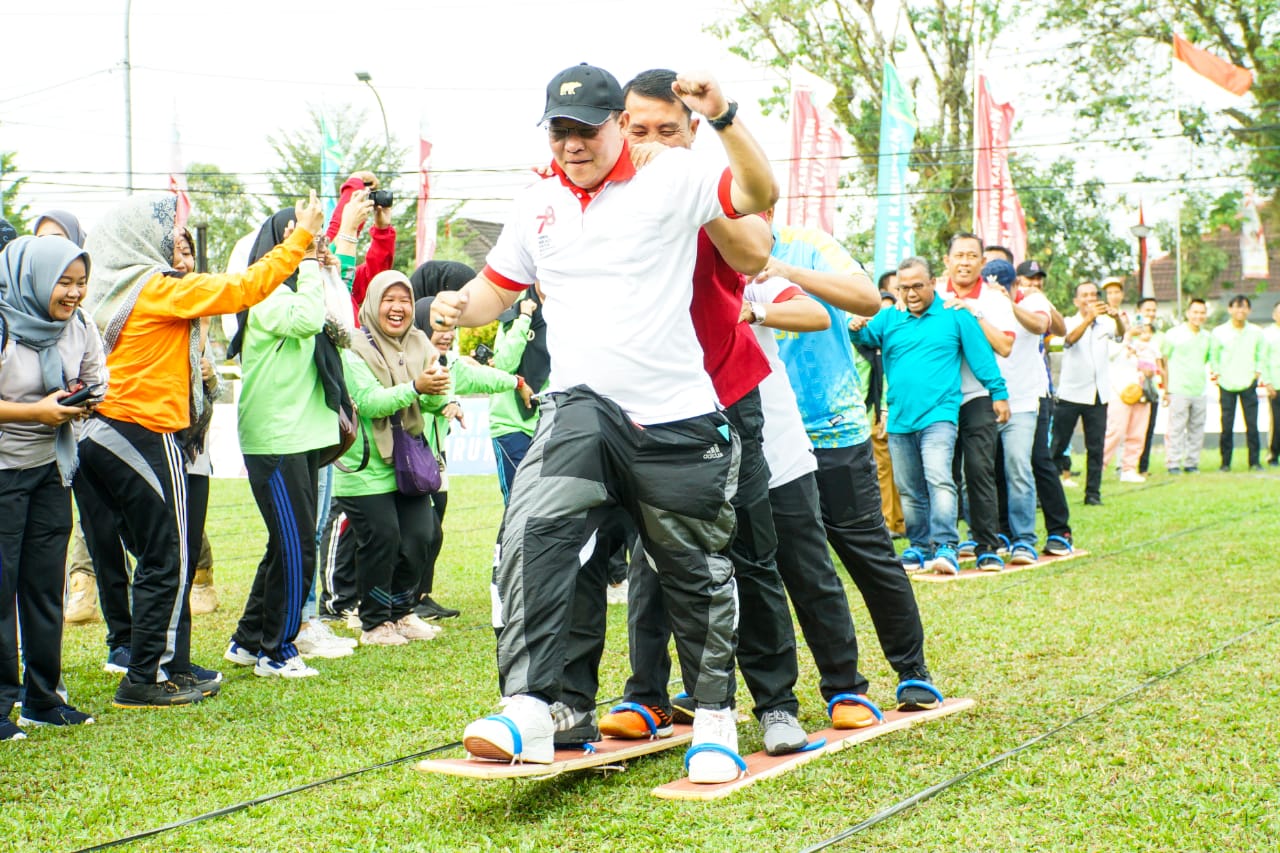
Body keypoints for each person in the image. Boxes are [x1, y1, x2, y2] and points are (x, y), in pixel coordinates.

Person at [433, 63, 777, 783]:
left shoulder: (672, 178)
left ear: (619, 123)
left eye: (587, 128)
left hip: (676, 418)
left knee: (694, 572)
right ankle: (528, 705)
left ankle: (714, 719)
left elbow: (757, 195)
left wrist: (723, 116)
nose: (573, 144)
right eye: (560, 131)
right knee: (530, 532)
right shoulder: (536, 206)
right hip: (580, 408)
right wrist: (457, 306)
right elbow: (497, 289)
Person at [79, 192, 324, 708]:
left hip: (107, 431)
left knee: (160, 556)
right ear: (139, 238)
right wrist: (300, 238)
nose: (174, 242)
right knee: (168, 557)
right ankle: (147, 675)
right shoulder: (155, 288)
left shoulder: (118, 289)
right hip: (141, 428)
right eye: (168, 232)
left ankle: (166, 664)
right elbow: (242, 289)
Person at [765, 224, 942, 712]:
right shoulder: (712, 246)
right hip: (767, 436)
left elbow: (866, 298)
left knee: (869, 554)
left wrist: (784, 270)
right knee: (801, 568)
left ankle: (912, 670)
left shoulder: (809, 245)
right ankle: (842, 687)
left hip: (833, 428)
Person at [223, 207, 343, 680]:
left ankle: (249, 640)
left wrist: (324, 268)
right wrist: (311, 264)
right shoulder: (265, 291)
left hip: (300, 436)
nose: (306, 242)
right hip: (276, 438)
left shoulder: (300, 285)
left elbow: (337, 320)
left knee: (285, 543)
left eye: (311, 235)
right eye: (295, 236)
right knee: (297, 547)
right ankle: (279, 650)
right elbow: (309, 321)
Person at [0, 235, 105, 738]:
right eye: (64, 282)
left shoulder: (78, 326)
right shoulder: (3, 323)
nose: (74, 293)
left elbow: (94, 378)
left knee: (44, 588)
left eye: (81, 283)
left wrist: (83, 400)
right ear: (34, 278)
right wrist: (37, 411)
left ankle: (43, 698)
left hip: (50, 468)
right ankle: (0, 708)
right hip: (3, 470)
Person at [850, 256, 1010, 575]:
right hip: (899, 419)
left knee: (939, 479)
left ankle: (946, 545)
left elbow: (982, 358)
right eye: (903, 288)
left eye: (917, 286)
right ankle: (919, 546)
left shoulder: (954, 315)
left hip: (940, 414)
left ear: (933, 283)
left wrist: (999, 393)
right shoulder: (890, 318)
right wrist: (856, 328)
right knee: (909, 488)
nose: (910, 294)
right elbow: (865, 338)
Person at [333, 272, 452, 646]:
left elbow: (431, 403)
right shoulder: (353, 347)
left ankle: (401, 613)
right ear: (373, 303)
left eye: (404, 299)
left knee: (423, 535)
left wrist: (435, 390)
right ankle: (373, 622)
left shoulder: (420, 344)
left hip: (409, 463)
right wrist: (417, 386)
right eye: (389, 299)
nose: (398, 307)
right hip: (366, 464)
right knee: (383, 537)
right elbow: (368, 403)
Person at [938, 234, 1014, 569]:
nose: (965, 262)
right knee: (943, 473)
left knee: (980, 471)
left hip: (980, 396)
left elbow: (1005, 346)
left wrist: (973, 313)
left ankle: (987, 545)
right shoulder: (933, 296)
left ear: (982, 262)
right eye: (959, 255)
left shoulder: (995, 300)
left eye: (972, 256)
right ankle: (944, 546)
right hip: (940, 400)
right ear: (947, 261)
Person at [983, 258, 1050, 564]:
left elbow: (1041, 326)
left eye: (1002, 284)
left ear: (1013, 284)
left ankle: (1024, 540)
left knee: (1018, 469)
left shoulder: (1032, 300)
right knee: (984, 473)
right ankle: (994, 535)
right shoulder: (978, 308)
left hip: (1022, 401)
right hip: (985, 400)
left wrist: (1009, 303)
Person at [1013, 260, 1073, 556]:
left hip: (1037, 392)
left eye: (1038, 279)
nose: (1034, 283)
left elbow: (1059, 329)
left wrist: (1041, 301)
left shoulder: (1036, 301)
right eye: (1028, 278)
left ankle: (1059, 529)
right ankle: (1007, 533)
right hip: (1001, 393)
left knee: (1039, 460)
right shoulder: (997, 301)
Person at [1050, 281, 1122, 506]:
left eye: (1093, 295)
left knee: (1096, 446)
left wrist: (1117, 317)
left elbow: (1120, 335)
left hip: (1098, 394)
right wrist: (1088, 318)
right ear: (1076, 301)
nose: (1089, 298)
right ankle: (1048, 493)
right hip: (1071, 394)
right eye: (1084, 295)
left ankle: (1093, 493)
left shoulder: (1104, 324)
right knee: (1058, 446)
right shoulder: (1069, 322)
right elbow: (1069, 340)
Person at [1210, 294, 1265, 471]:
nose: (1240, 310)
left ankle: (1254, 462)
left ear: (1249, 310)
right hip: (1226, 383)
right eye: (1236, 306)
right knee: (1226, 424)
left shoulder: (1256, 332)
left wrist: (1256, 373)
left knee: (1252, 424)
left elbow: (1260, 355)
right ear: (1229, 309)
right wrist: (1218, 374)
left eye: (1243, 307)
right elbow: (1214, 356)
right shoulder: (1219, 332)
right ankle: (1225, 462)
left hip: (1248, 382)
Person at [1103, 316, 1158, 482]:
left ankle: (1129, 468)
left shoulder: (1142, 345)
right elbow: (1110, 357)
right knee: (1115, 431)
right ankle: (1098, 466)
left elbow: (1152, 364)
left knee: (1137, 432)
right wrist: (1126, 338)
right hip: (1119, 392)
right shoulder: (1112, 342)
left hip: (1140, 392)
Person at [1162, 298, 1213, 474]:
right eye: (1195, 312)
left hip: (1199, 389)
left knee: (1197, 428)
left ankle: (1192, 463)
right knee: (1176, 428)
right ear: (1187, 313)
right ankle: (1173, 463)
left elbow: (1206, 359)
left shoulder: (1207, 337)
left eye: (1202, 313)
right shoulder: (1173, 334)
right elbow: (1164, 361)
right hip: (1178, 389)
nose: (1198, 316)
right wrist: (1166, 389)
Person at [1134, 297, 1166, 475]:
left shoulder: (1160, 337)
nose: (1151, 314)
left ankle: (1143, 467)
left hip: (1152, 389)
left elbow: (1163, 364)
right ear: (1139, 311)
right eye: (1147, 310)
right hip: (1134, 387)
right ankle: (1126, 465)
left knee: (1149, 427)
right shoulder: (1130, 333)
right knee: (1133, 429)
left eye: (1154, 310)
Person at [1264, 302, 1280, 466]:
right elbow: (1263, 360)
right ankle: (1273, 454)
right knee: (1276, 422)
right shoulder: (1267, 334)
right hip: (1276, 384)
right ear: (1274, 315)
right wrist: (1268, 382)